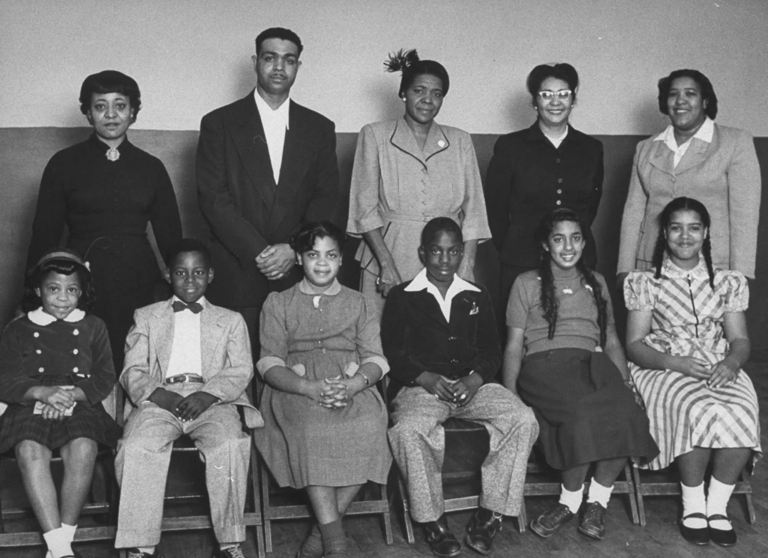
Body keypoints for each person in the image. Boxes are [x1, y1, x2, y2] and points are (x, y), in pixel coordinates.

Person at [382, 217, 538, 557]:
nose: (444, 260)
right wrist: (425, 378)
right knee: (409, 429)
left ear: (460, 254)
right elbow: (392, 352)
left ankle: (490, 513)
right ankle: (433, 521)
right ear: (423, 253)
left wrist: (475, 378)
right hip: (423, 387)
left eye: (452, 251)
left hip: (473, 386)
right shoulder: (402, 296)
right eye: (436, 251)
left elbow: (492, 350)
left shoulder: (475, 294)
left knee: (522, 418)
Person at [503, 209, 658, 541]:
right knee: (579, 414)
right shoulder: (526, 283)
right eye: (559, 239)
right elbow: (514, 346)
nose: (568, 247)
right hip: (544, 367)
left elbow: (612, 339)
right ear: (546, 245)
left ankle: (597, 501)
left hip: (591, 363)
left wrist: (625, 382)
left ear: (584, 242)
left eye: (575, 238)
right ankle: (569, 501)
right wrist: (510, 393)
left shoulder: (596, 282)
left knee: (625, 412)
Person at [27, 70, 183, 387]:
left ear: (133, 112)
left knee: (136, 363)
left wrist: (178, 293)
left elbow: (172, 240)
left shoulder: (151, 167)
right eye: (101, 106)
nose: (111, 115)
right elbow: (43, 236)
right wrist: (30, 297)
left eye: (120, 105)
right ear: (87, 112)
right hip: (79, 281)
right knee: (82, 367)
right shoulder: (63, 163)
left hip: (139, 280)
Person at [624, 197, 760, 547]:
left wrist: (730, 364)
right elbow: (635, 344)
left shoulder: (727, 281)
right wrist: (676, 363)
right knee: (697, 407)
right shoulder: (646, 282)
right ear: (664, 233)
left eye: (694, 227)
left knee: (741, 409)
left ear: (706, 233)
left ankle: (717, 506)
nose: (685, 236)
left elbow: (740, 341)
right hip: (663, 364)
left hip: (718, 363)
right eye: (676, 227)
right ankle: (693, 505)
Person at [197, 27, 340, 357]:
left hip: (296, 269)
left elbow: (325, 197)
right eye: (270, 58)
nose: (279, 67)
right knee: (236, 367)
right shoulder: (219, 122)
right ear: (255, 62)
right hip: (239, 268)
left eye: (289, 60)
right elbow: (213, 197)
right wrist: (259, 251)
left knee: (296, 366)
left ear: (298, 67)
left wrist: (294, 248)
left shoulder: (319, 128)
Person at [115, 239, 261, 558]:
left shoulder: (231, 319)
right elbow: (132, 369)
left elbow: (241, 368)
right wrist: (159, 394)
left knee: (229, 444)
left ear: (211, 275)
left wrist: (209, 394)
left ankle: (230, 543)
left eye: (198, 272)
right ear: (168, 275)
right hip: (160, 397)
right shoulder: (147, 316)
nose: (190, 279)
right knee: (137, 446)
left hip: (212, 399)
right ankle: (138, 546)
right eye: (181, 272)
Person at [253, 222, 390, 558]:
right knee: (311, 429)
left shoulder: (359, 302)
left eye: (331, 255)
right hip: (296, 386)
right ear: (299, 258)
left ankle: (323, 532)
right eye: (313, 255)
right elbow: (269, 363)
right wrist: (308, 388)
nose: (322, 263)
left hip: (349, 382)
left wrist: (355, 384)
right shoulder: (279, 302)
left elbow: (376, 359)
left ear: (342, 259)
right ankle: (336, 544)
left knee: (371, 425)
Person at [347, 49, 491, 314]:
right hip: (390, 254)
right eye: (419, 91)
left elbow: (474, 213)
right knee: (382, 341)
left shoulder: (459, 141)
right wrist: (385, 264)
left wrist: (467, 266)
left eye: (436, 94)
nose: (427, 100)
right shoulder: (375, 135)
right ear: (403, 93)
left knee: (441, 342)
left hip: (447, 259)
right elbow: (364, 209)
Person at [0, 249, 121, 558]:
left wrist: (68, 395)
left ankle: (59, 545)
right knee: (29, 450)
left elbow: (105, 377)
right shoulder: (17, 329)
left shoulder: (94, 326)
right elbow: (7, 380)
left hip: (78, 397)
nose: (63, 298)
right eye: (54, 289)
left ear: (82, 292)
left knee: (84, 448)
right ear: (39, 290)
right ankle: (61, 549)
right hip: (29, 400)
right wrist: (42, 393)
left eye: (72, 290)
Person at [484, 63, 603, 329]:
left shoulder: (591, 149)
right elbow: (495, 208)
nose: (555, 101)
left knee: (575, 330)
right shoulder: (511, 146)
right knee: (519, 333)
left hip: (576, 257)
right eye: (546, 94)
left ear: (574, 99)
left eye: (563, 93)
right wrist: (514, 247)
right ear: (534, 101)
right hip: (521, 258)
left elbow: (590, 207)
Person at [618, 69, 761, 282]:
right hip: (652, 266)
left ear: (705, 101)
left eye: (690, 93)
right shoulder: (645, 148)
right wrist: (625, 269)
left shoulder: (735, 142)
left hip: (714, 267)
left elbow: (745, 216)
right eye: (673, 94)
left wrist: (741, 274)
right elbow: (633, 213)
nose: (680, 101)